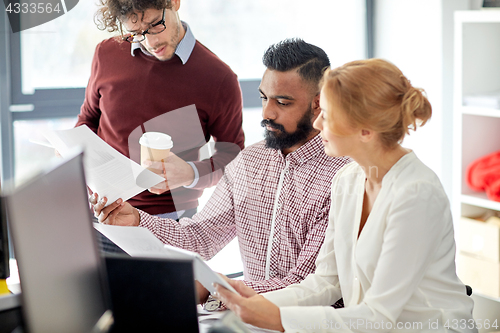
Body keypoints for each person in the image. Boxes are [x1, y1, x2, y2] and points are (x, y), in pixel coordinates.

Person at [214, 58, 477, 332]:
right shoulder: (347, 180)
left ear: (365, 131)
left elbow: (378, 316)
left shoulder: (416, 194)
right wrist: (252, 300)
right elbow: (327, 282)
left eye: (326, 115)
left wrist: (276, 318)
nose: (316, 123)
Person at [91, 39, 350, 304]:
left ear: (318, 104)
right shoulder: (249, 161)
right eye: (263, 98)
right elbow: (200, 237)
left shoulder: (344, 177)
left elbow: (306, 285)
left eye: (283, 103)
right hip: (248, 319)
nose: (267, 113)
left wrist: (215, 289)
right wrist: (136, 220)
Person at [77, 0, 245, 219]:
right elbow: (88, 120)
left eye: (156, 24)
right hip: (103, 214)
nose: (151, 42)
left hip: (172, 222)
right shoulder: (106, 53)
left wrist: (190, 173)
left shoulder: (219, 79)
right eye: (136, 33)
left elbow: (234, 158)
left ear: (174, 3)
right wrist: (72, 148)